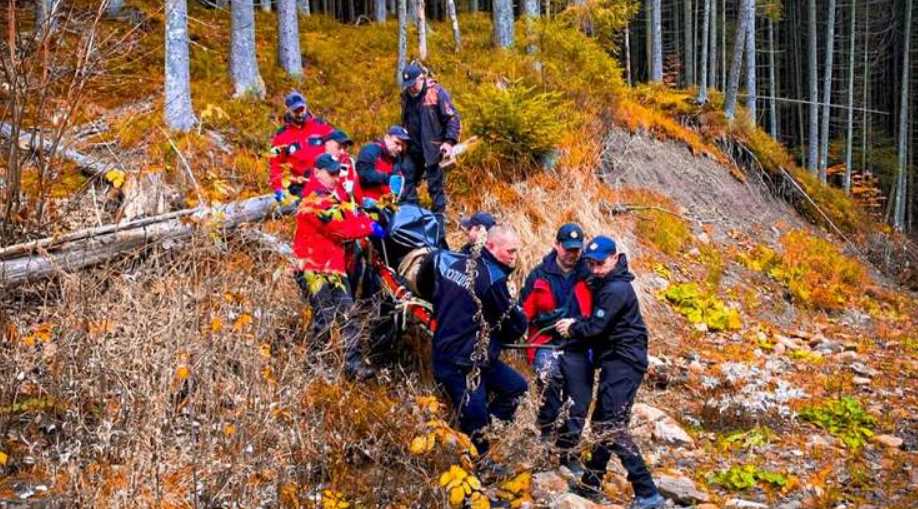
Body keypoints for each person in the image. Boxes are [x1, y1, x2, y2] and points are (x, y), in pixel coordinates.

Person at [555, 236, 664, 509]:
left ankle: (647, 492)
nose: (594, 269)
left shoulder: (616, 289)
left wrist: (572, 327)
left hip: (625, 361)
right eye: (590, 264)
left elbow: (596, 328)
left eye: (600, 264)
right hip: (617, 359)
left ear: (615, 258)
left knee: (612, 426)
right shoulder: (607, 281)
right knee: (603, 421)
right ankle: (592, 482)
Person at [416, 225, 528, 459]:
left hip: (473, 356)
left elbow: (427, 270)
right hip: (460, 364)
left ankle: (492, 430)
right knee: (477, 424)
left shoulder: (447, 259)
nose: (514, 257)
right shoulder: (494, 279)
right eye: (510, 251)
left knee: (517, 387)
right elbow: (515, 327)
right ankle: (480, 465)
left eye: (516, 252)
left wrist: (436, 301)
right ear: (490, 246)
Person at [293, 153, 385, 381]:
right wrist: (368, 226)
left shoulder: (332, 198)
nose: (335, 177)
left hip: (334, 269)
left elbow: (348, 220)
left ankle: (352, 366)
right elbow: (340, 229)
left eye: (337, 173)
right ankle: (314, 366)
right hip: (313, 269)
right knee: (324, 318)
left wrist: (368, 219)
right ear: (317, 172)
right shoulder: (313, 201)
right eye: (331, 173)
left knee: (347, 315)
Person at [519, 224, 593, 475]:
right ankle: (546, 435)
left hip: (578, 345)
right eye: (568, 249)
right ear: (556, 246)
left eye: (576, 250)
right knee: (549, 378)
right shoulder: (538, 275)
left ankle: (568, 452)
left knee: (579, 399)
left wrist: (578, 326)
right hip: (545, 342)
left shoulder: (590, 275)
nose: (572, 254)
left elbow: (599, 314)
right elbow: (524, 313)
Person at [399, 63, 461, 225]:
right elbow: (405, 119)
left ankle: (438, 219)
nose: (411, 87)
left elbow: (452, 118)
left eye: (413, 83)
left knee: (435, 186)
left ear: (421, 78)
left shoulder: (437, 93)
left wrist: (449, 142)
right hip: (413, 147)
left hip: (434, 147)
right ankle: (413, 215)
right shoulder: (405, 96)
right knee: (406, 178)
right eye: (408, 85)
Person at [269, 91, 335, 201]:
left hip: (326, 180)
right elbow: (275, 164)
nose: (300, 114)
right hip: (301, 186)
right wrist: (278, 187)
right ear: (288, 111)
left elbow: (337, 147)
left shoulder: (321, 126)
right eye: (295, 111)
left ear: (306, 107)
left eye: (301, 109)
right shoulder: (280, 137)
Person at [356, 126, 411, 202]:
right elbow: (363, 174)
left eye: (403, 146)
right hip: (366, 201)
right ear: (387, 138)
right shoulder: (371, 150)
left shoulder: (396, 158)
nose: (400, 149)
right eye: (397, 143)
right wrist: (387, 178)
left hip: (387, 203)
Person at [323, 129, 362, 205]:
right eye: (339, 147)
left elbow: (347, 190)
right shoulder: (320, 161)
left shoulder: (346, 162)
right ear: (327, 145)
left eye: (345, 148)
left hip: (347, 205)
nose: (342, 151)